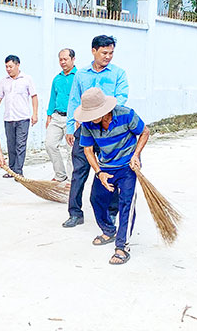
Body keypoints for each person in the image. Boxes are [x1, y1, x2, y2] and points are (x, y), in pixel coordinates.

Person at [74, 87, 149, 265]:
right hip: (106, 166)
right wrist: (99, 173)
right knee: (96, 199)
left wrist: (136, 155)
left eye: (93, 113)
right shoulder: (88, 125)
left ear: (104, 109)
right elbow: (88, 149)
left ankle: (122, 246)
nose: (90, 118)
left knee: (126, 204)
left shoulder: (126, 114)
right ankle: (108, 230)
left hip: (127, 166)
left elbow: (144, 132)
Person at [62, 35, 129, 228]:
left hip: (110, 129)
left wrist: (104, 116)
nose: (108, 57)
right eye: (104, 53)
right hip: (85, 128)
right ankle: (75, 212)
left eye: (111, 53)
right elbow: (74, 100)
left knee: (112, 170)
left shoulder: (118, 73)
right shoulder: (81, 75)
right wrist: (69, 126)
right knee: (79, 170)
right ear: (94, 51)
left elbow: (121, 98)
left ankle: (111, 211)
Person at [0, 55, 38, 177]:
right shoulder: (4, 81)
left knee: (20, 145)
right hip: (9, 118)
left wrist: (35, 114)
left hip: (23, 118)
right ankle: (11, 170)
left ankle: (18, 171)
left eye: (10, 66)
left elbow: (34, 96)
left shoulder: (27, 79)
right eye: (6, 67)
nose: (8, 69)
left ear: (17, 65)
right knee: (11, 145)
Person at [45, 48, 77, 182]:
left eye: (65, 59)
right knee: (50, 144)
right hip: (57, 117)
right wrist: (48, 115)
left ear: (73, 59)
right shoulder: (57, 79)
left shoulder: (79, 77)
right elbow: (53, 97)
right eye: (60, 59)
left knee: (71, 150)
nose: (62, 62)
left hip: (73, 119)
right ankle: (60, 175)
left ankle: (71, 179)